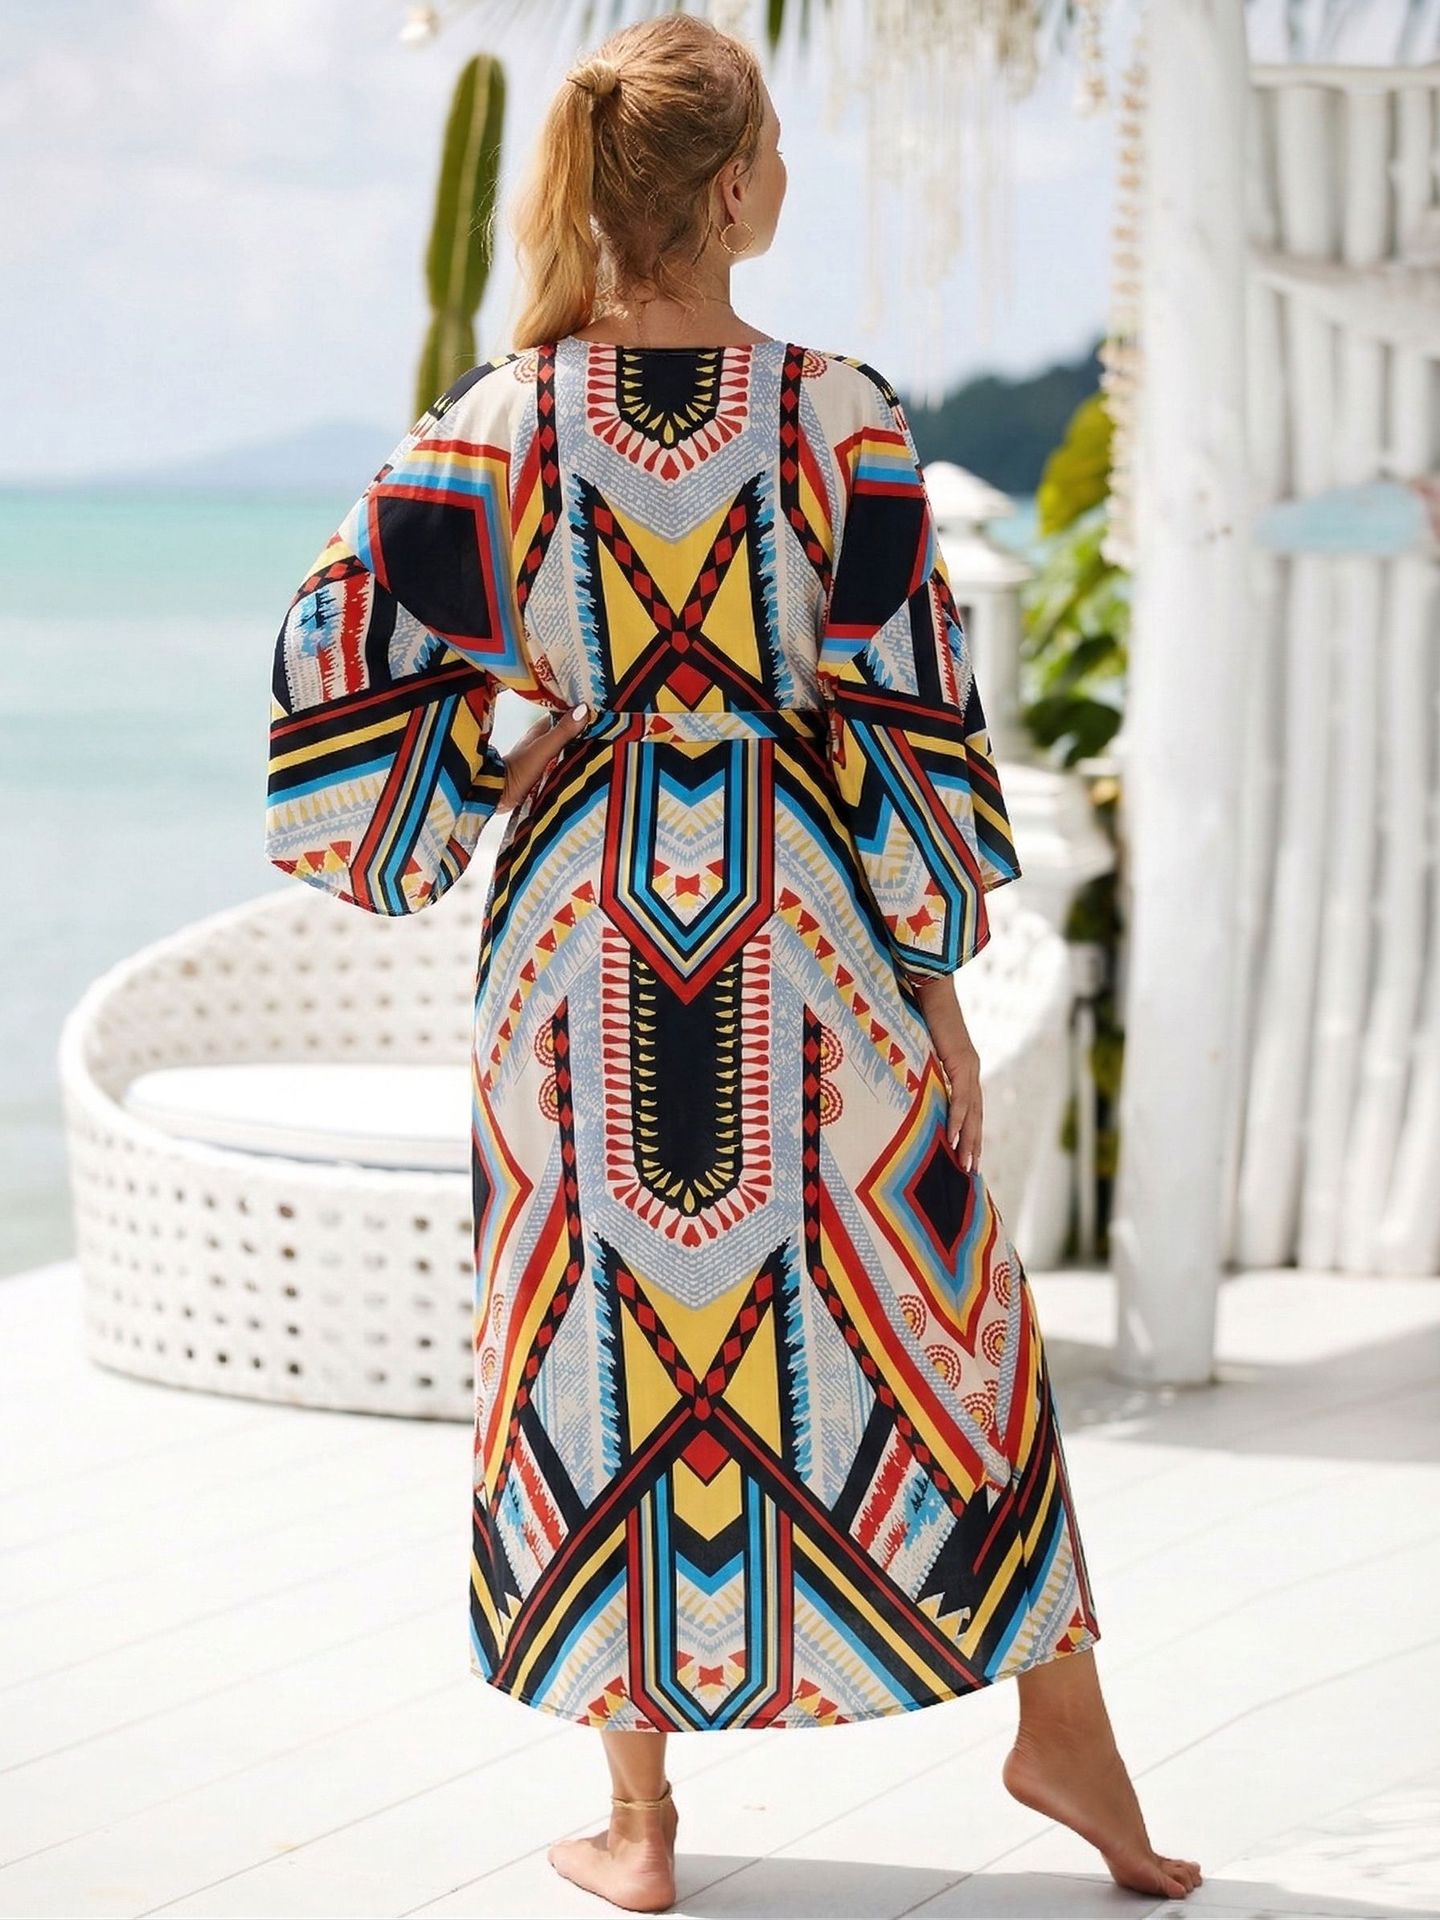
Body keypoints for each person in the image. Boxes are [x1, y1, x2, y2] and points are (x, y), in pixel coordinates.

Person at [265, 13, 1201, 1913]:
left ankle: (642, 1824)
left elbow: (334, 661)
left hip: (577, 949)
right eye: (774, 150)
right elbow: (913, 716)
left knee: (602, 1339)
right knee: (950, 1312)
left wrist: (503, 750)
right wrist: (938, 989)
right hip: (808, 932)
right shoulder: (838, 415)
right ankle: (1065, 1727)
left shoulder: (494, 420)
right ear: (730, 188)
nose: (787, 177)